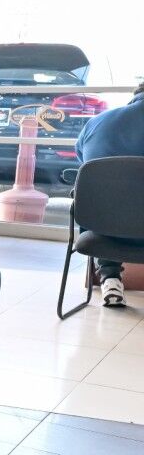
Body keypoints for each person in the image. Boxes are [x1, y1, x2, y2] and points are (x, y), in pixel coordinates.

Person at [74, 81, 144, 307]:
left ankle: (110, 278)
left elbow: (85, 169)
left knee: (110, 202)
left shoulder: (96, 122)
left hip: (102, 236)